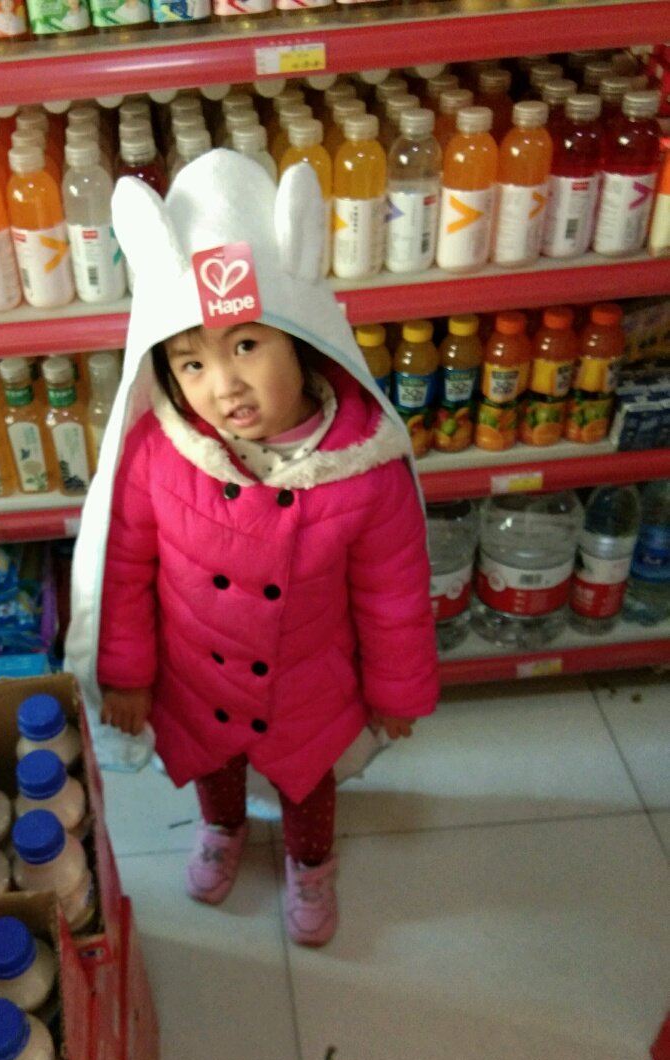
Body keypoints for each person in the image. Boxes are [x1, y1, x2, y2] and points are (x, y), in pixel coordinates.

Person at [67, 149, 439, 947]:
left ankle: (311, 863)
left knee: (308, 782)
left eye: (246, 346)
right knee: (213, 764)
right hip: (196, 676)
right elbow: (124, 568)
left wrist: (396, 688)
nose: (223, 385)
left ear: (301, 342)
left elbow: (392, 592)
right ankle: (223, 827)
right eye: (191, 361)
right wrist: (127, 674)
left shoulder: (363, 467)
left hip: (310, 682)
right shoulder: (160, 455)